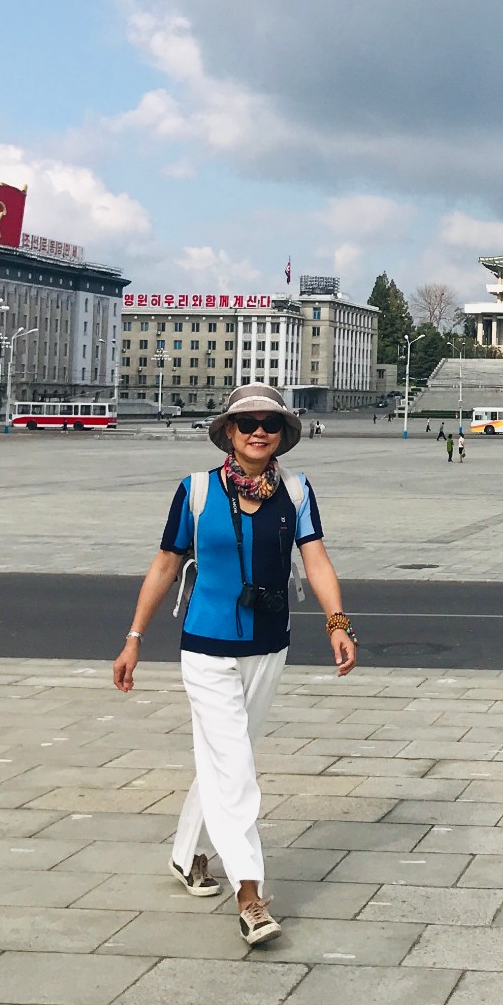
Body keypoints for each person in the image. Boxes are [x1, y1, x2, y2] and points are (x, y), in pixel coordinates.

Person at [113, 383, 357, 949]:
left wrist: (338, 623)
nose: (258, 431)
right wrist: (134, 638)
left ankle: (184, 855)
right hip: (205, 648)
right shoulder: (195, 491)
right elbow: (165, 564)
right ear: (227, 432)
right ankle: (251, 896)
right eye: (246, 423)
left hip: (270, 647)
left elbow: (315, 558)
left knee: (226, 756)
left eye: (269, 423)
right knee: (237, 768)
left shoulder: (295, 492)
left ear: (282, 435)